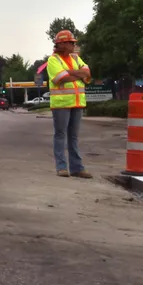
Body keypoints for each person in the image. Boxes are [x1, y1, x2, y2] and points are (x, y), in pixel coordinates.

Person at [46, 30, 93, 178]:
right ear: (62, 44)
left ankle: (77, 168)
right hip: (61, 104)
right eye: (71, 43)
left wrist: (70, 73)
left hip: (77, 103)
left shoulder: (75, 58)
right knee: (60, 135)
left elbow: (87, 72)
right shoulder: (53, 60)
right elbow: (61, 78)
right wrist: (76, 74)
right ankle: (61, 167)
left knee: (73, 137)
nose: (74, 45)